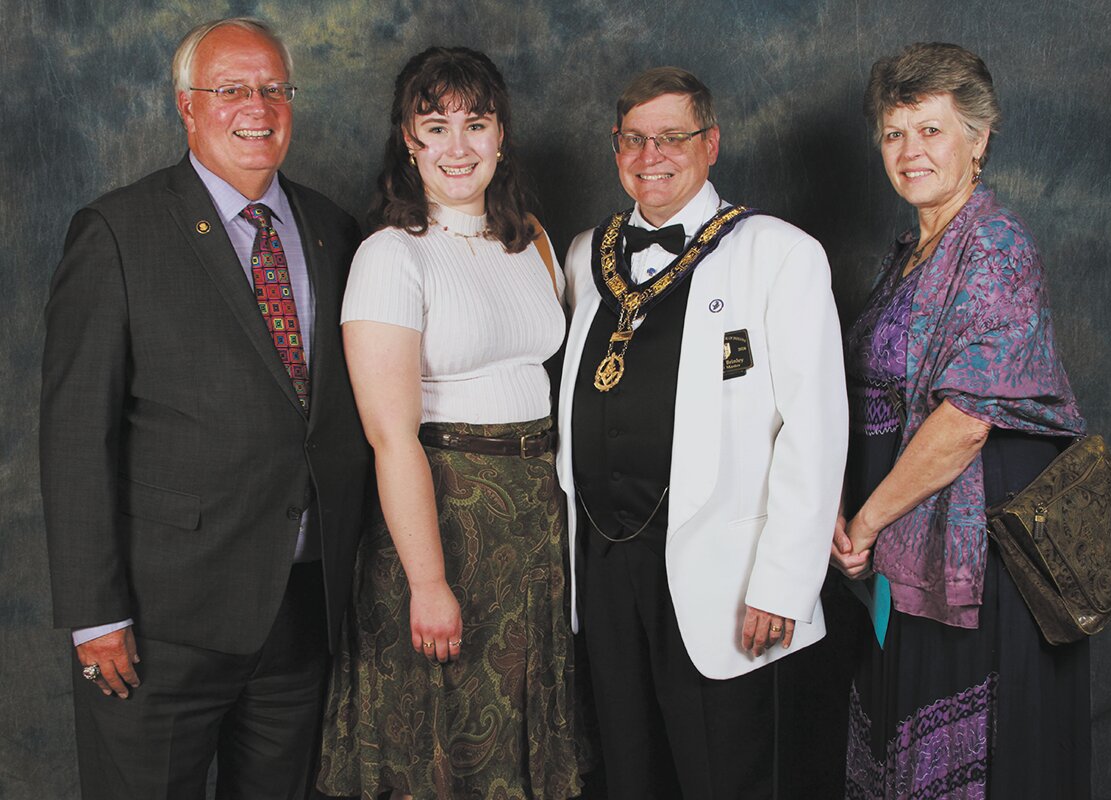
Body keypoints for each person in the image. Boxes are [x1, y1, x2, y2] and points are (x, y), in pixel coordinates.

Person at [40, 17, 370, 800]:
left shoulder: (334, 230)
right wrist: (95, 617)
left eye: (272, 89)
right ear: (186, 107)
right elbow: (75, 437)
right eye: (230, 90)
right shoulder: (118, 232)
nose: (256, 106)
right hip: (161, 622)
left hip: (301, 612)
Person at [556, 67, 848, 799]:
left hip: (726, 568)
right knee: (627, 774)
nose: (650, 155)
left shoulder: (780, 253)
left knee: (722, 775)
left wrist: (783, 583)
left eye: (672, 138)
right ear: (615, 148)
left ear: (710, 144)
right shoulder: (582, 255)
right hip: (603, 564)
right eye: (634, 139)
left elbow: (815, 429)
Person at [317, 46, 582, 800]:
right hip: (441, 512)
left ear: (502, 135)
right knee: (446, 718)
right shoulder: (390, 256)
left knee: (523, 706)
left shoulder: (529, 237)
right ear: (409, 141)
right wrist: (428, 582)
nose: (458, 147)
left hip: (534, 512)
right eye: (436, 127)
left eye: (476, 123)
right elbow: (390, 435)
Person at [831, 42, 1091, 798]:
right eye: (894, 133)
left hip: (979, 557)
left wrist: (869, 522)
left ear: (979, 140)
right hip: (909, 546)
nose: (911, 151)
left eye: (932, 130)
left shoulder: (995, 244)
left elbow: (966, 420)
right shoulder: (907, 252)